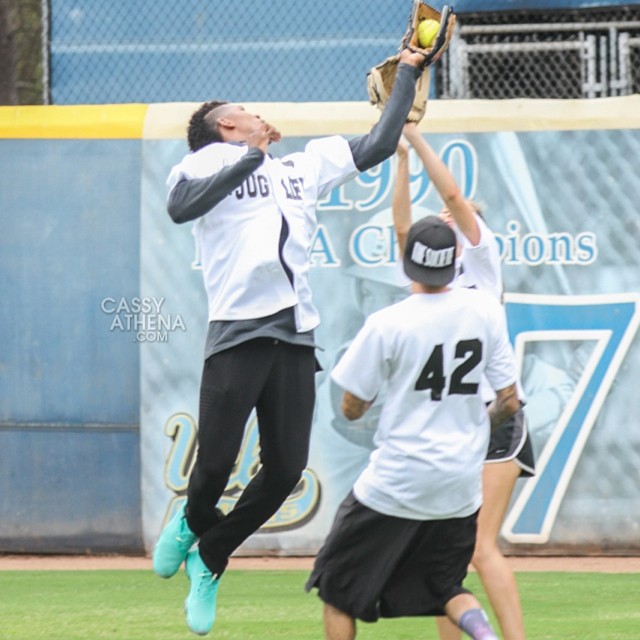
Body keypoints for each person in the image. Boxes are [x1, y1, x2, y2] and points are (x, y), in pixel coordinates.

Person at [151, 47, 431, 636]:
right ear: (227, 125)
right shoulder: (206, 162)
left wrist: (407, 72)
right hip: (236, 332)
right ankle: (190, 520)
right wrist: (247, 158)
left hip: (295, 334)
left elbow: (378, 144)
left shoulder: (301, 166)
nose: (257, 114)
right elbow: (181, 208)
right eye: (245, 111)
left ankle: (210, 554)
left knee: (285, 470)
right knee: (216, 466)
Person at [306, 216, 522, 640]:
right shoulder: (484, 310)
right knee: (447, 587)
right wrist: (477, 421)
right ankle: (486, 635)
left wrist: (373, 401)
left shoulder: (389, 322)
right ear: (453, 262)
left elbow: (350, 407)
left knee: (336, 589)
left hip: (397, 479)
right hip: (459, 482)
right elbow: (510, 400)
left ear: (408, 264)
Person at [395, 122, 535, 640]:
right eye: (444, 220)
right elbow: (402, 230)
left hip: (495, 415)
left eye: (457, 216)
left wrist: (414, 134)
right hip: (449, 425)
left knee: (478, 546)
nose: (449, 217)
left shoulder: (482, 257)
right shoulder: (430, 281)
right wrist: (402, 162)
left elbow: (452, 192)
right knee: (441, 552)